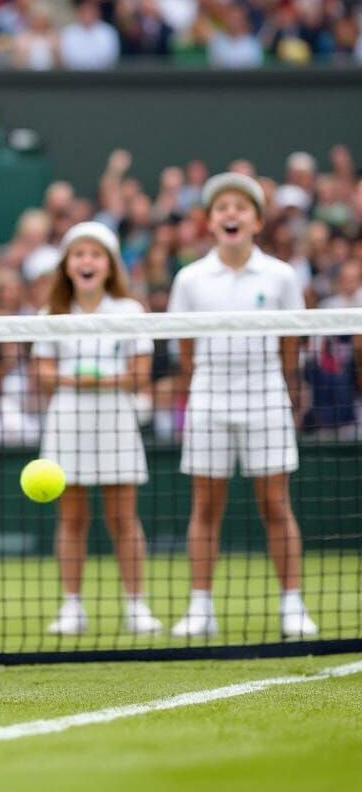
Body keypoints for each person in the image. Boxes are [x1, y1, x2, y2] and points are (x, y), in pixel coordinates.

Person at [168, 173, 317, 639]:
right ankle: (200, 608)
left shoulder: (281, 276)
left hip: (267, 397)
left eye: (241, 207)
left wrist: (284, 387)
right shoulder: (189, 279)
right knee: (205, 507)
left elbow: (290, 342)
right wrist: (203, 386)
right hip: (209, 399)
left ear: (256, 220)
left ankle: (292, 605)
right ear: (211, 222)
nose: (231, 214)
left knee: (276, 504)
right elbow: (185, 349)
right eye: (222, 208)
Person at [32, 222, 162, 636]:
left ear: (109, 265)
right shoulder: (50, 314)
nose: (87, 261)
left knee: (124, 518)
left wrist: (99, 382)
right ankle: (72, 607)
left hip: (117, 420)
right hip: (67, 420)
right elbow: (44, 373)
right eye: (79, 254)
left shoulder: (130, 312)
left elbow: (140, 373)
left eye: (96, 254)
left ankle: (137, 606)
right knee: (71, 520)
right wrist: (81, 381)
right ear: (68, 266)